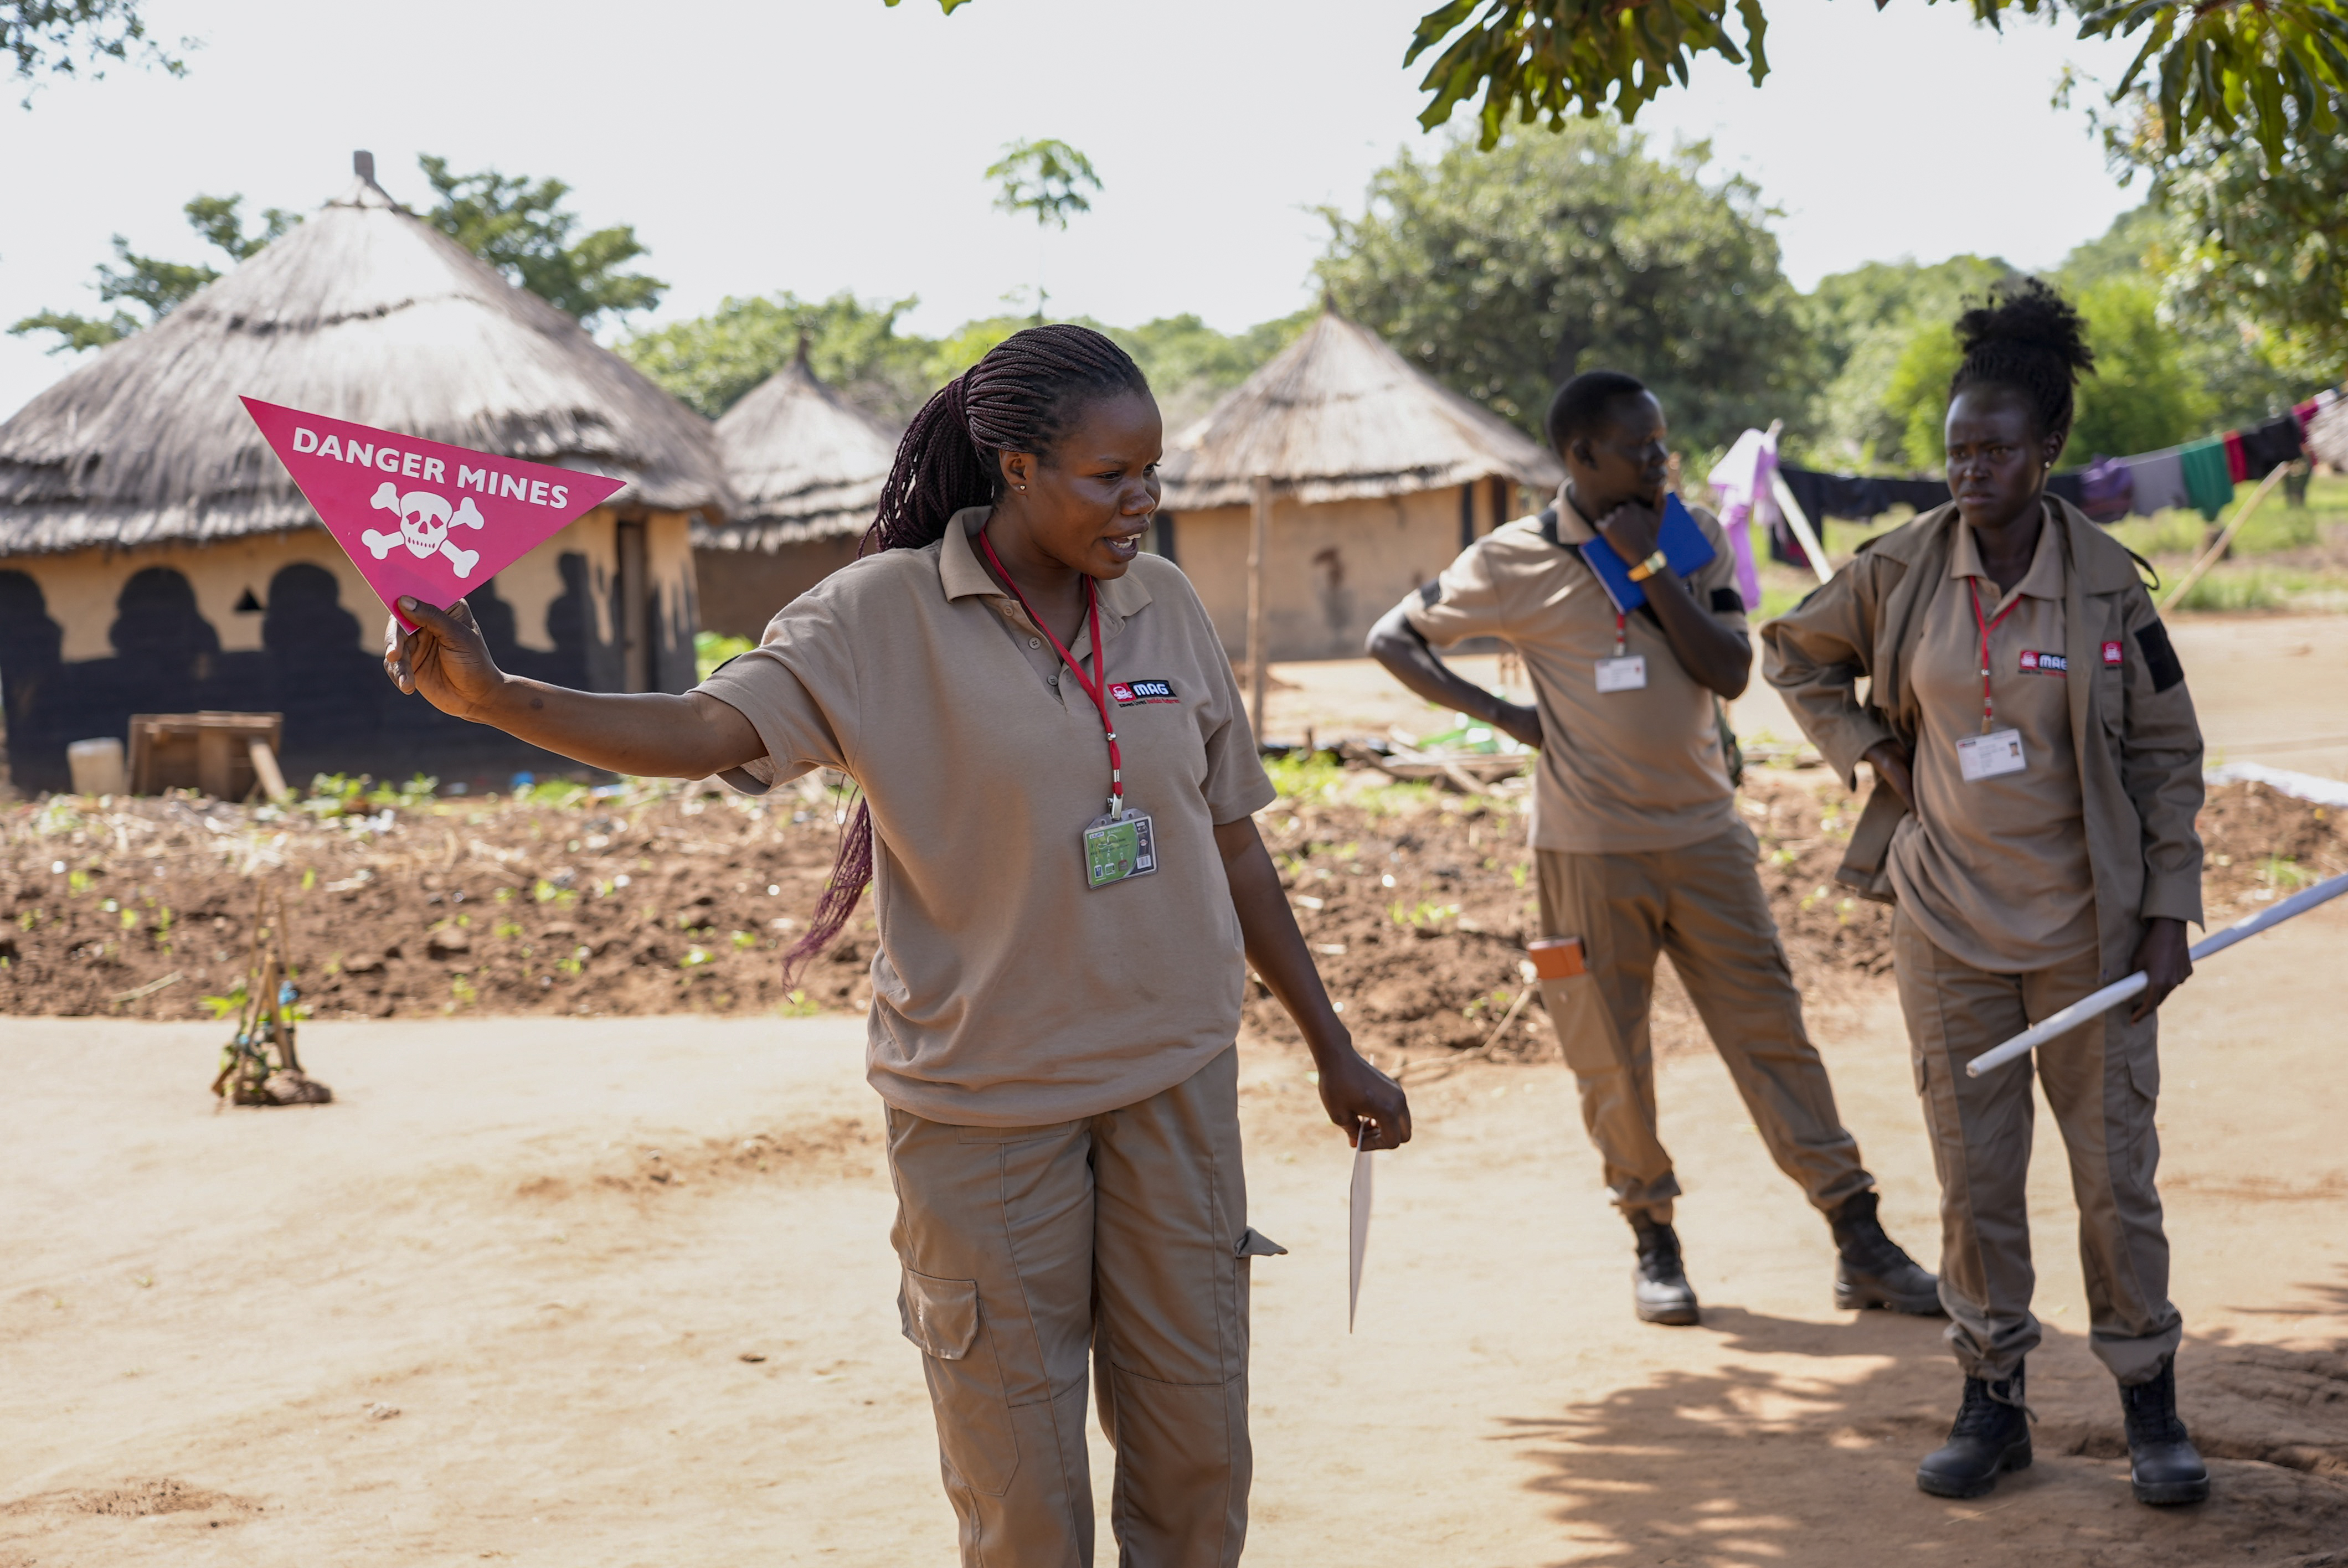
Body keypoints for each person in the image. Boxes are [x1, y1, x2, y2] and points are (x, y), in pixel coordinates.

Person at [384, 323, 1412, 1566]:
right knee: (1023, 1504)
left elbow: (1235, 843)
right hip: (984, 1118)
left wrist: (1331, 1047)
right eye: (1108, 478)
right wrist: (500, 702)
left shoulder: (1164, 604)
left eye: (1153, 475)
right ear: (1015, 467)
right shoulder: (878, 615)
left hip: (1174, 1089)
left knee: (1196, 1469)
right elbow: (704, 729)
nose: (1141, 502)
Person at [1365, 369, 1937, 1328]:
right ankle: (1653, 1239)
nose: (1659, 464)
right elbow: (1396, 638)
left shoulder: (1684, 533)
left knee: (1774, 1038)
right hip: (1585, 854)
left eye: (1662, 446)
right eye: (1639, 450)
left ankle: (1858, 1236)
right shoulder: (1513, 559)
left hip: (1707, 841)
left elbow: (1729, 669)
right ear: (1580, 458)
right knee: (1609, 1056)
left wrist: (1646, 568)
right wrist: (1509, 716)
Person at [1762, 279, 2208, 1506]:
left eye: (1996, 450)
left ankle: (2147, 1406)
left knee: (2113, 1182)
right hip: (1947, 930)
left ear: (2046, 450)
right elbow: (1790, 654)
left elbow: (2168, 756)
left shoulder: (2108, 584)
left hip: (2091, 937)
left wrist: (2167, 912)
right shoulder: (1899, 571)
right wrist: (1866, 750)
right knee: (1973, 1182)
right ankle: (1990, 1401)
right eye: (1957, 451)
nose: (1971, 471)